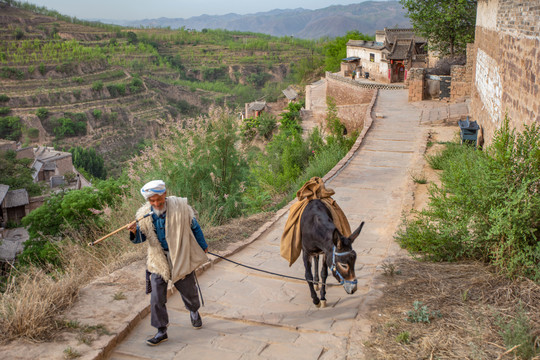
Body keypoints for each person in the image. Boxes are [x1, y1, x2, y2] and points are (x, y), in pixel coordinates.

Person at [128, 180, 209, 346]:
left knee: (188, 289)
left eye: (159, 199)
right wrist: (134, 231)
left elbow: (195, 227)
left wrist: (203, 246)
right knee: (157, 297)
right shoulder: (143, 215)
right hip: (158, 259)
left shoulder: (180, 207)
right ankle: (161, 330)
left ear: (164, 194)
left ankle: (194, 310)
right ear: (147, 201)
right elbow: (141, 239)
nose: (156, 203)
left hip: (179, 254)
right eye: (152, 201)